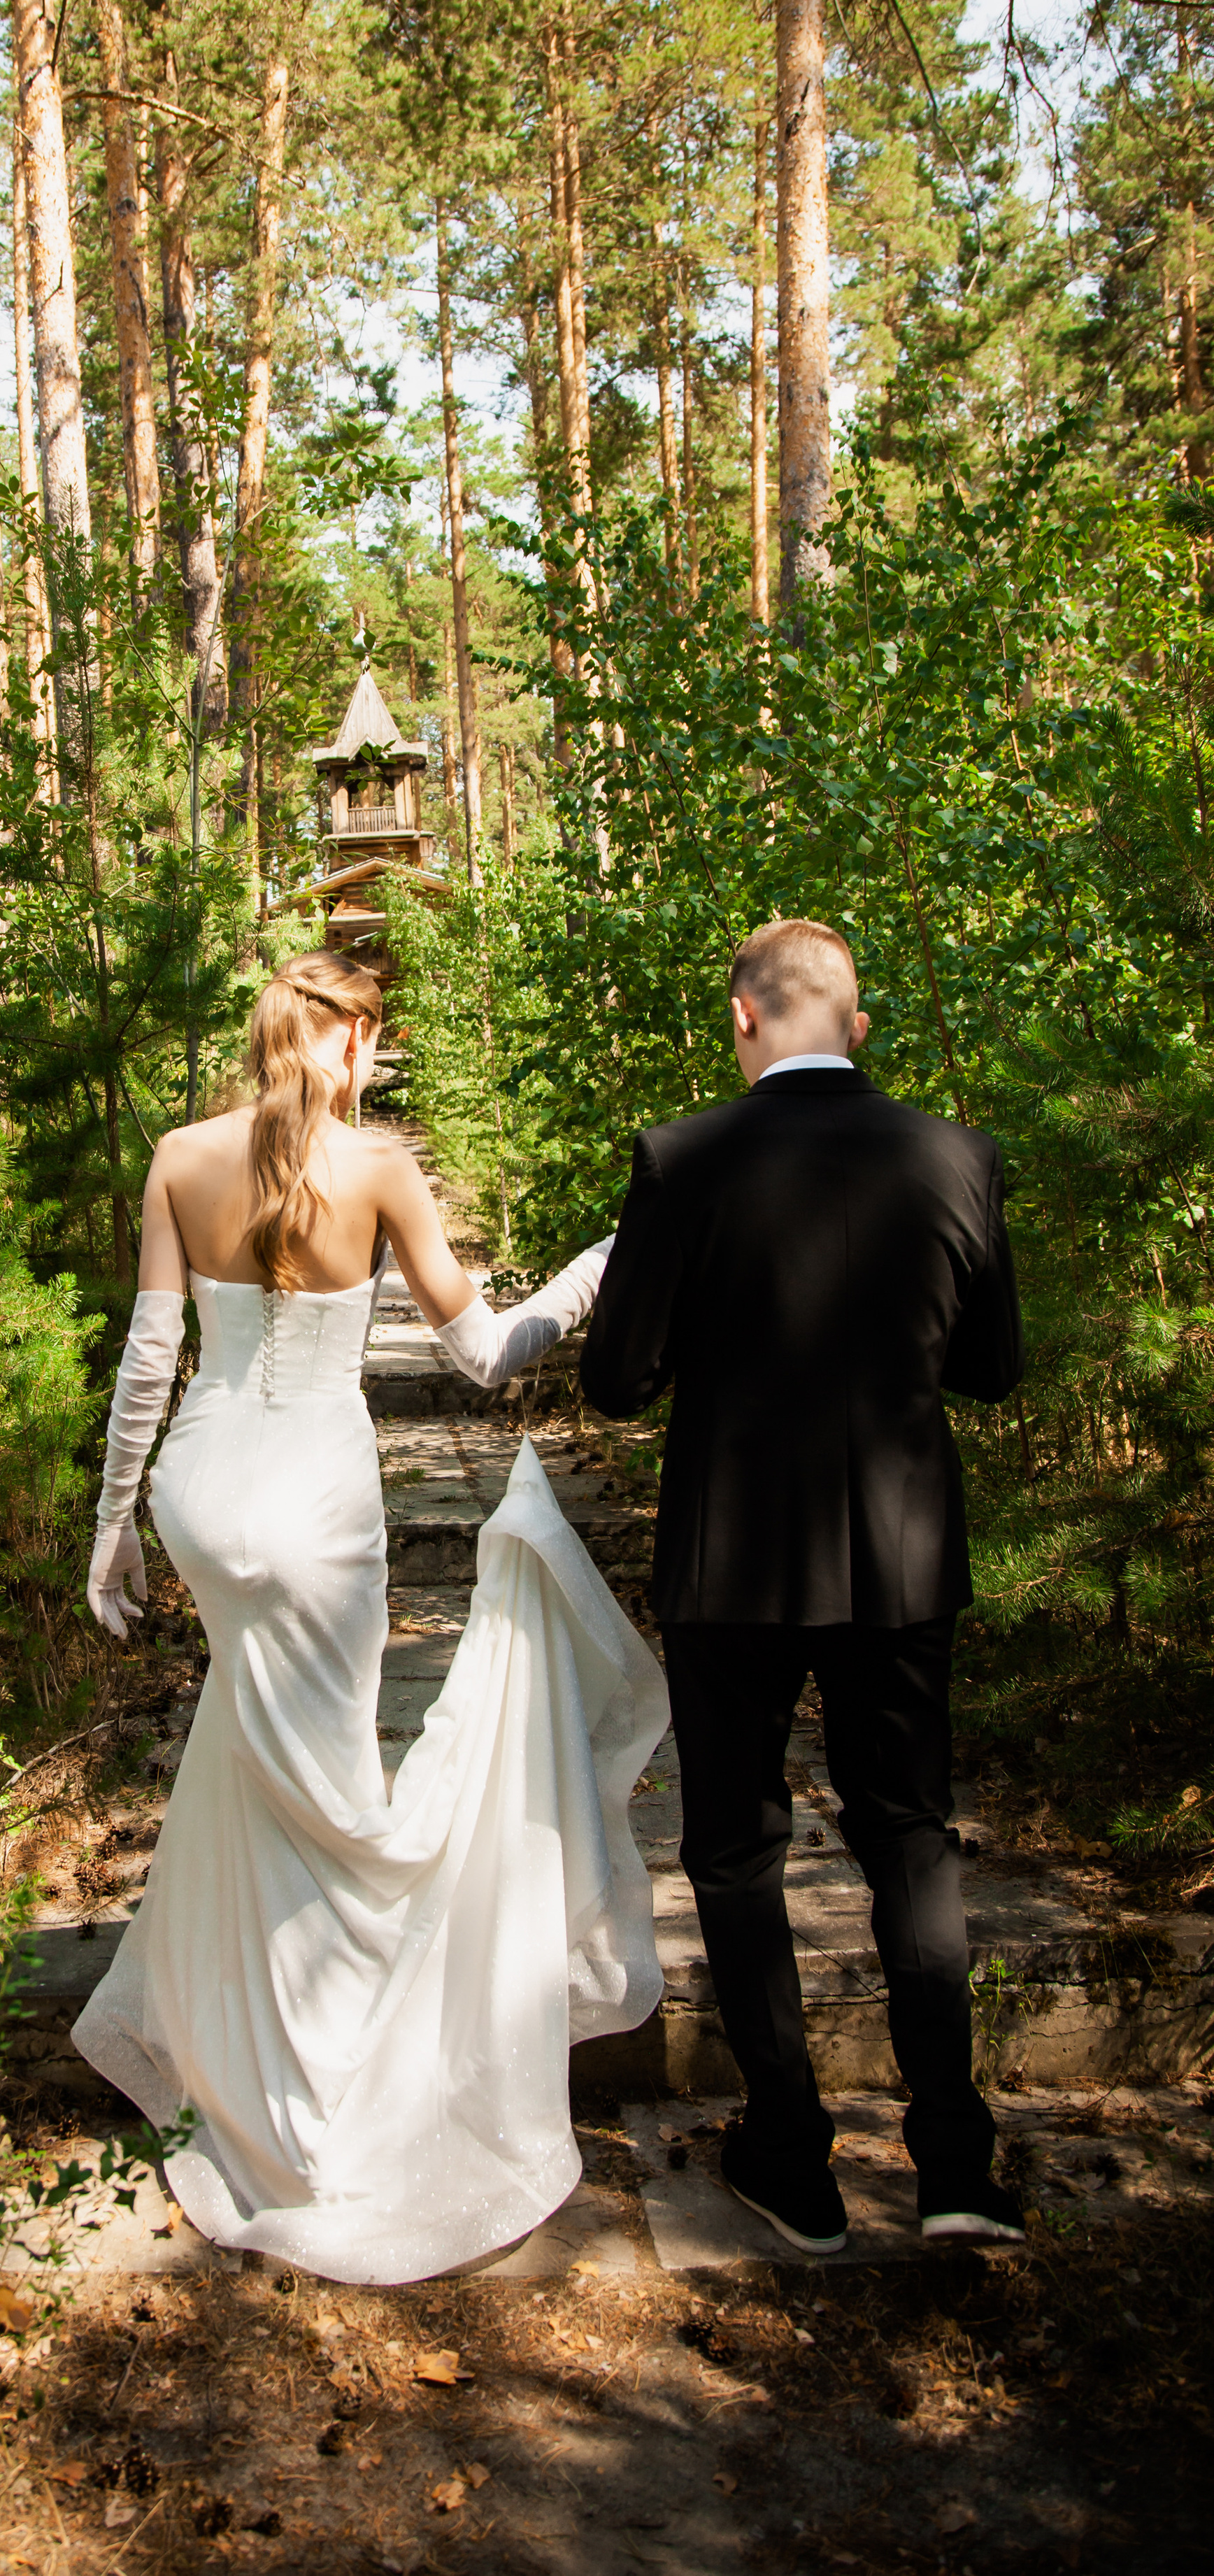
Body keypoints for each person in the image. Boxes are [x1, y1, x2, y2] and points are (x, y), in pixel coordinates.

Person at [73, 951, 667, 2283]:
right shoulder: (384, 1169)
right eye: (372, 1042)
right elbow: (485, 1351)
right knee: (336, 1785)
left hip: (204, 1495)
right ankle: (328, 2071)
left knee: (245, 1740)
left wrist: (114, 1524)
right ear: (346, 1046)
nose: (374, 1062)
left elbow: (150, 1361)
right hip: (320, 1511)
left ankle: (237, 2035)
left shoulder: (179, 1154)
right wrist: (585, 1276)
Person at [580, 918, 1026, 2255]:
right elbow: (994, 1369)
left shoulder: (684, 1159)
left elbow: (617, 1378)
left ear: (741, 1018)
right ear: (860, 1023)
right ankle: (953, 2161)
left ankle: (794, 2157)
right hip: (899, 1554)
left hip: (733, 1563)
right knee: (912, 1836)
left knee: (736, 1848)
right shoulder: (958, 1157)